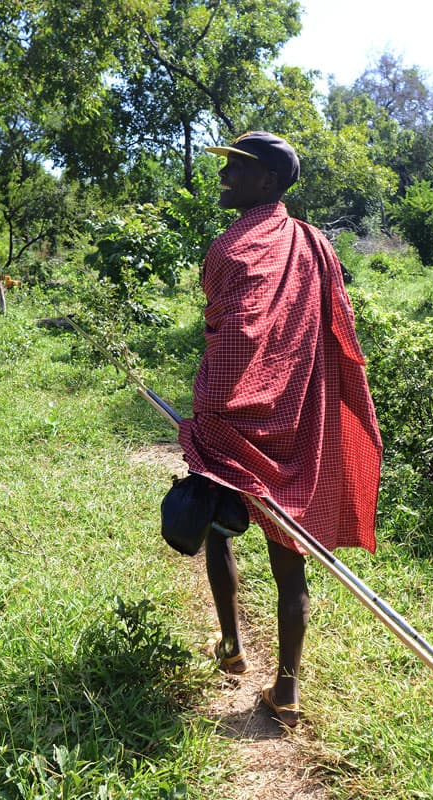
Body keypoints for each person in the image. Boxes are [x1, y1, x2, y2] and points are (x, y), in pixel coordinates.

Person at [178, 131, 383, 728]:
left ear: (267, 181)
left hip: (233, 420)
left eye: (236, 168)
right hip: (297, 420)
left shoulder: (229, 247)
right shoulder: (315, 243)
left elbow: (232, 338)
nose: (224, 177)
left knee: (218, 526)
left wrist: (208, 410)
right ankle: (286, 689)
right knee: (289, 558)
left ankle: (231, 646)